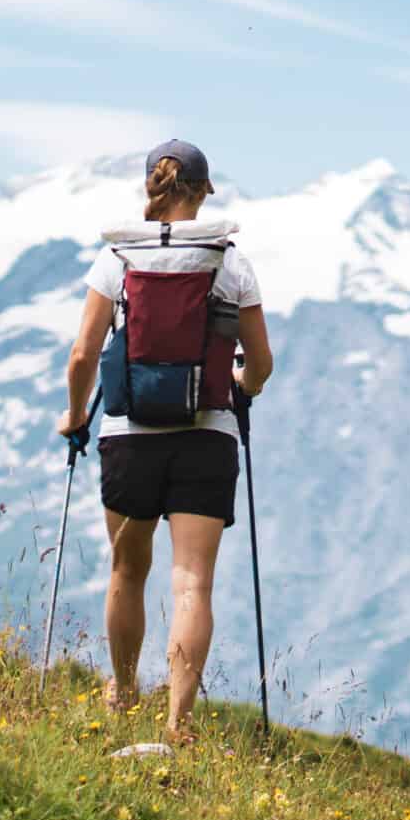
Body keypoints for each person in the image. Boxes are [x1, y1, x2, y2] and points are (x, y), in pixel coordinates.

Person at [58, 139, 274, 742]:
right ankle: (178, 723)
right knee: (192, 583)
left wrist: (75, 415)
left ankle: (123, 693)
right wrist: (240, 385)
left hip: (129, 436)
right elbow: (261, 363)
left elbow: (82, 356)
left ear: (150, 189)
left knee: (128, 570)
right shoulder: (231, 264)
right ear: (204, 191)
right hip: (207, 437)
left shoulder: (116, 260)